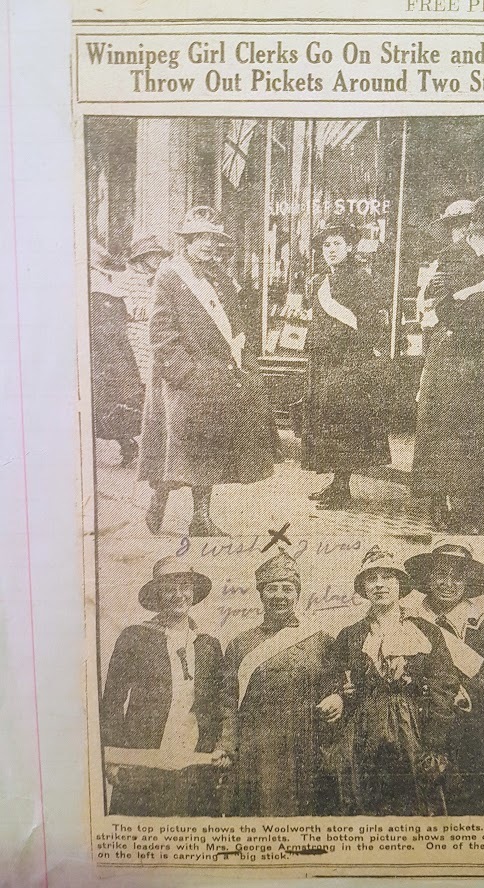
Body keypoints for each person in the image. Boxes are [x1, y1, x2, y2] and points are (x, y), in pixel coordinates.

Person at [137, 206, 279, 537]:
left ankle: (200, 518)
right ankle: (159, 499)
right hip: (183, 381)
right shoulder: (169, 275)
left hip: (218, 376)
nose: (207, 245)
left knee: (207, 451)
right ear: (186, 242)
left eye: (213, 239)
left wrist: (243, 361)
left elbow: (235, 322)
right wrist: (186, 374)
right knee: (180, 451)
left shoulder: (220, 277)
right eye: (200, 238)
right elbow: (160, 332)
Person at [322, 546, 460, 816]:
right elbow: (332, 678)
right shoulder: (351, 635)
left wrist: (432, 740)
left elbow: (445, 685)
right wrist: (338, 695)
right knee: (366, 803)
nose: (379, 585)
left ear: (401, 585)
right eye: (371, 579)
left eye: (388, 577)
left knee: (415, 804)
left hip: (414, 731)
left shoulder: (427, 632)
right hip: (363, 732)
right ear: (363, 588)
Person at [411, 198, 484, 534]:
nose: (476, 226)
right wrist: (481, 299)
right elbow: (441, 307)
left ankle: (475, 503)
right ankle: (443, 501)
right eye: (472, 221)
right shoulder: (448, 258)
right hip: (456, 351)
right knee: (449, 428)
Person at [100, 557, 232, 816]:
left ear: (193, 593)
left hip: (195, 762)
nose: (178, 595)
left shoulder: (209, 645)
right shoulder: (134, 637)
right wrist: (114, 758)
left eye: (185, 587)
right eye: (169, 588)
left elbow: (220, 704)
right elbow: (112, 701)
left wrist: (222, 747)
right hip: (144, 762)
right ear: (157, 595)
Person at [220, 549, 336, 816]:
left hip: (305, 746)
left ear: (297, 593)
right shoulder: (241, 643)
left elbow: (336, 687)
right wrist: (227, 744)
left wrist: (338, 698)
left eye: (287, 588)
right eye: (272, 589)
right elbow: (227, 701)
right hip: (257, 748)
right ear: (261, 594)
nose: (280, 596)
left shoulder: (320, 640)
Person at [403, 542, 484, 815]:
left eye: (457, 577)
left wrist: (464, 691)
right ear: (428, 578)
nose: (448, 583)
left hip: (471, 720)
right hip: (424, 717)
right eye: (441, 574)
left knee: (476, 794)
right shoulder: (409, 618)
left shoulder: (482, 619)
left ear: (468, 582)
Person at [301, 218, 391, 510]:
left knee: (344, 425)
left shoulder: (363, 279)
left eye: (337, 243)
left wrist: (351, 350)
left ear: (350, 246)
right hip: (324, 362)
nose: (331, 249)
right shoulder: (319, 280)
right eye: (326, 245)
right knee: (326, 423)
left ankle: (342, 486)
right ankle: (337, 482)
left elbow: (371, 324)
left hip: (349, 364)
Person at [89, 243, 144, 466]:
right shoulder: (111, 294)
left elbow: (109, 330)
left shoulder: (100, 295)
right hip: (112, 354)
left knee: (106, 401)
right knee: (107, 401)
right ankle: (126, 443)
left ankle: (126, 444)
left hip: (105, 356)